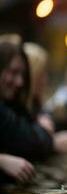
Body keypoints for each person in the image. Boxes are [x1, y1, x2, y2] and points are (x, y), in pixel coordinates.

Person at [0, 41, 53, 183]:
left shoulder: (12, 103)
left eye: (22, 75)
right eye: (13, 72)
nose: (19, 82)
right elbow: (33, 141)